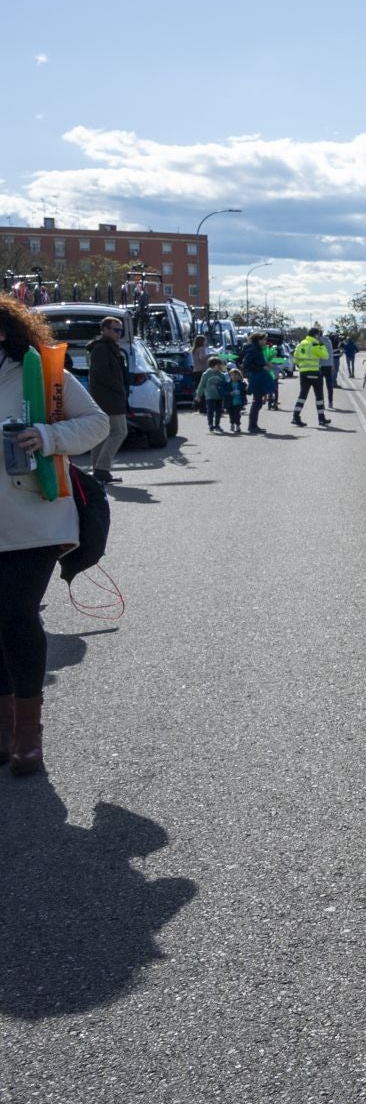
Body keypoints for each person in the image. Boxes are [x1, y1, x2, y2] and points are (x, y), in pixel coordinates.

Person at [1, 293, 110, 777]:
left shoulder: (40, 375)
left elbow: (96, 424)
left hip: (35, 522)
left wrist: (46, 436)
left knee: (15, 613)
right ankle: (4, 727)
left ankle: (28, 733)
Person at [83, 313, 130, 483]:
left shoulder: (109, 347)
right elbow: (101, 374)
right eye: (115, 330)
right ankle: (102, 469)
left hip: (108, 396)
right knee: (119, 431)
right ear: (104, 330)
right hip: (108, 397)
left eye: (120, 331)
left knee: (103, 434)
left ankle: (98, 471)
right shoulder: (101, 348)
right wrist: (119, 388)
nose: (119, 333)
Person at [290, 326, 332, 428]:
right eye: (319, 335)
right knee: (319, 396)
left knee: (302, 396)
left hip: (303, 373)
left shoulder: (301, 344)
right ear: (316, 335)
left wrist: (302, 364)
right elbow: (325, 356)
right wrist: (322, 345)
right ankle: (321, 419)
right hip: (315, 373)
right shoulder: (315, 344)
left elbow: (295, 360)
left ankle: (295, 417)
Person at [240, 332, 275, 432]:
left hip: (259, 376)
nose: (265, 341)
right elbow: (246, 364)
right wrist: (261, 367)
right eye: (263, 339)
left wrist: (265, 365)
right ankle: (252, 426)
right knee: (257, 401)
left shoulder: (257, 349)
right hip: (256, 377)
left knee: (258, 401)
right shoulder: (253, 349)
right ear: (258, 340)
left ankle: (253, 425)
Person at [195, 357, 228, 432]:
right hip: (210, 396)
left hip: (219, 396)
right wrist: (198, 395)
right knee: (210, 411)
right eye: (219, 365)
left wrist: (226, 394)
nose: (220, 366)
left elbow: (225, 385)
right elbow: (201, 385)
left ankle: (217, 425)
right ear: (213, 365)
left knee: (219, 411)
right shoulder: (206, 374)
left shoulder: (222, 375)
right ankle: (210, 425)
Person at [224, 365, 247, 432]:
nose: (234, 376)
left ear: (239, 376)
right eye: (232, 375)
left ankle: (238, 425)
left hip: (238, 402)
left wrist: (243, 390)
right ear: (230, 376)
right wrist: (229, 393)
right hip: (230, 402)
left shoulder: (242, 384)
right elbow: (224, 392)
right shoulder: (227, 384)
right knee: (231, 414)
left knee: (237, 414)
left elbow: (245, 392)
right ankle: (232, 424)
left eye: (236, 375)